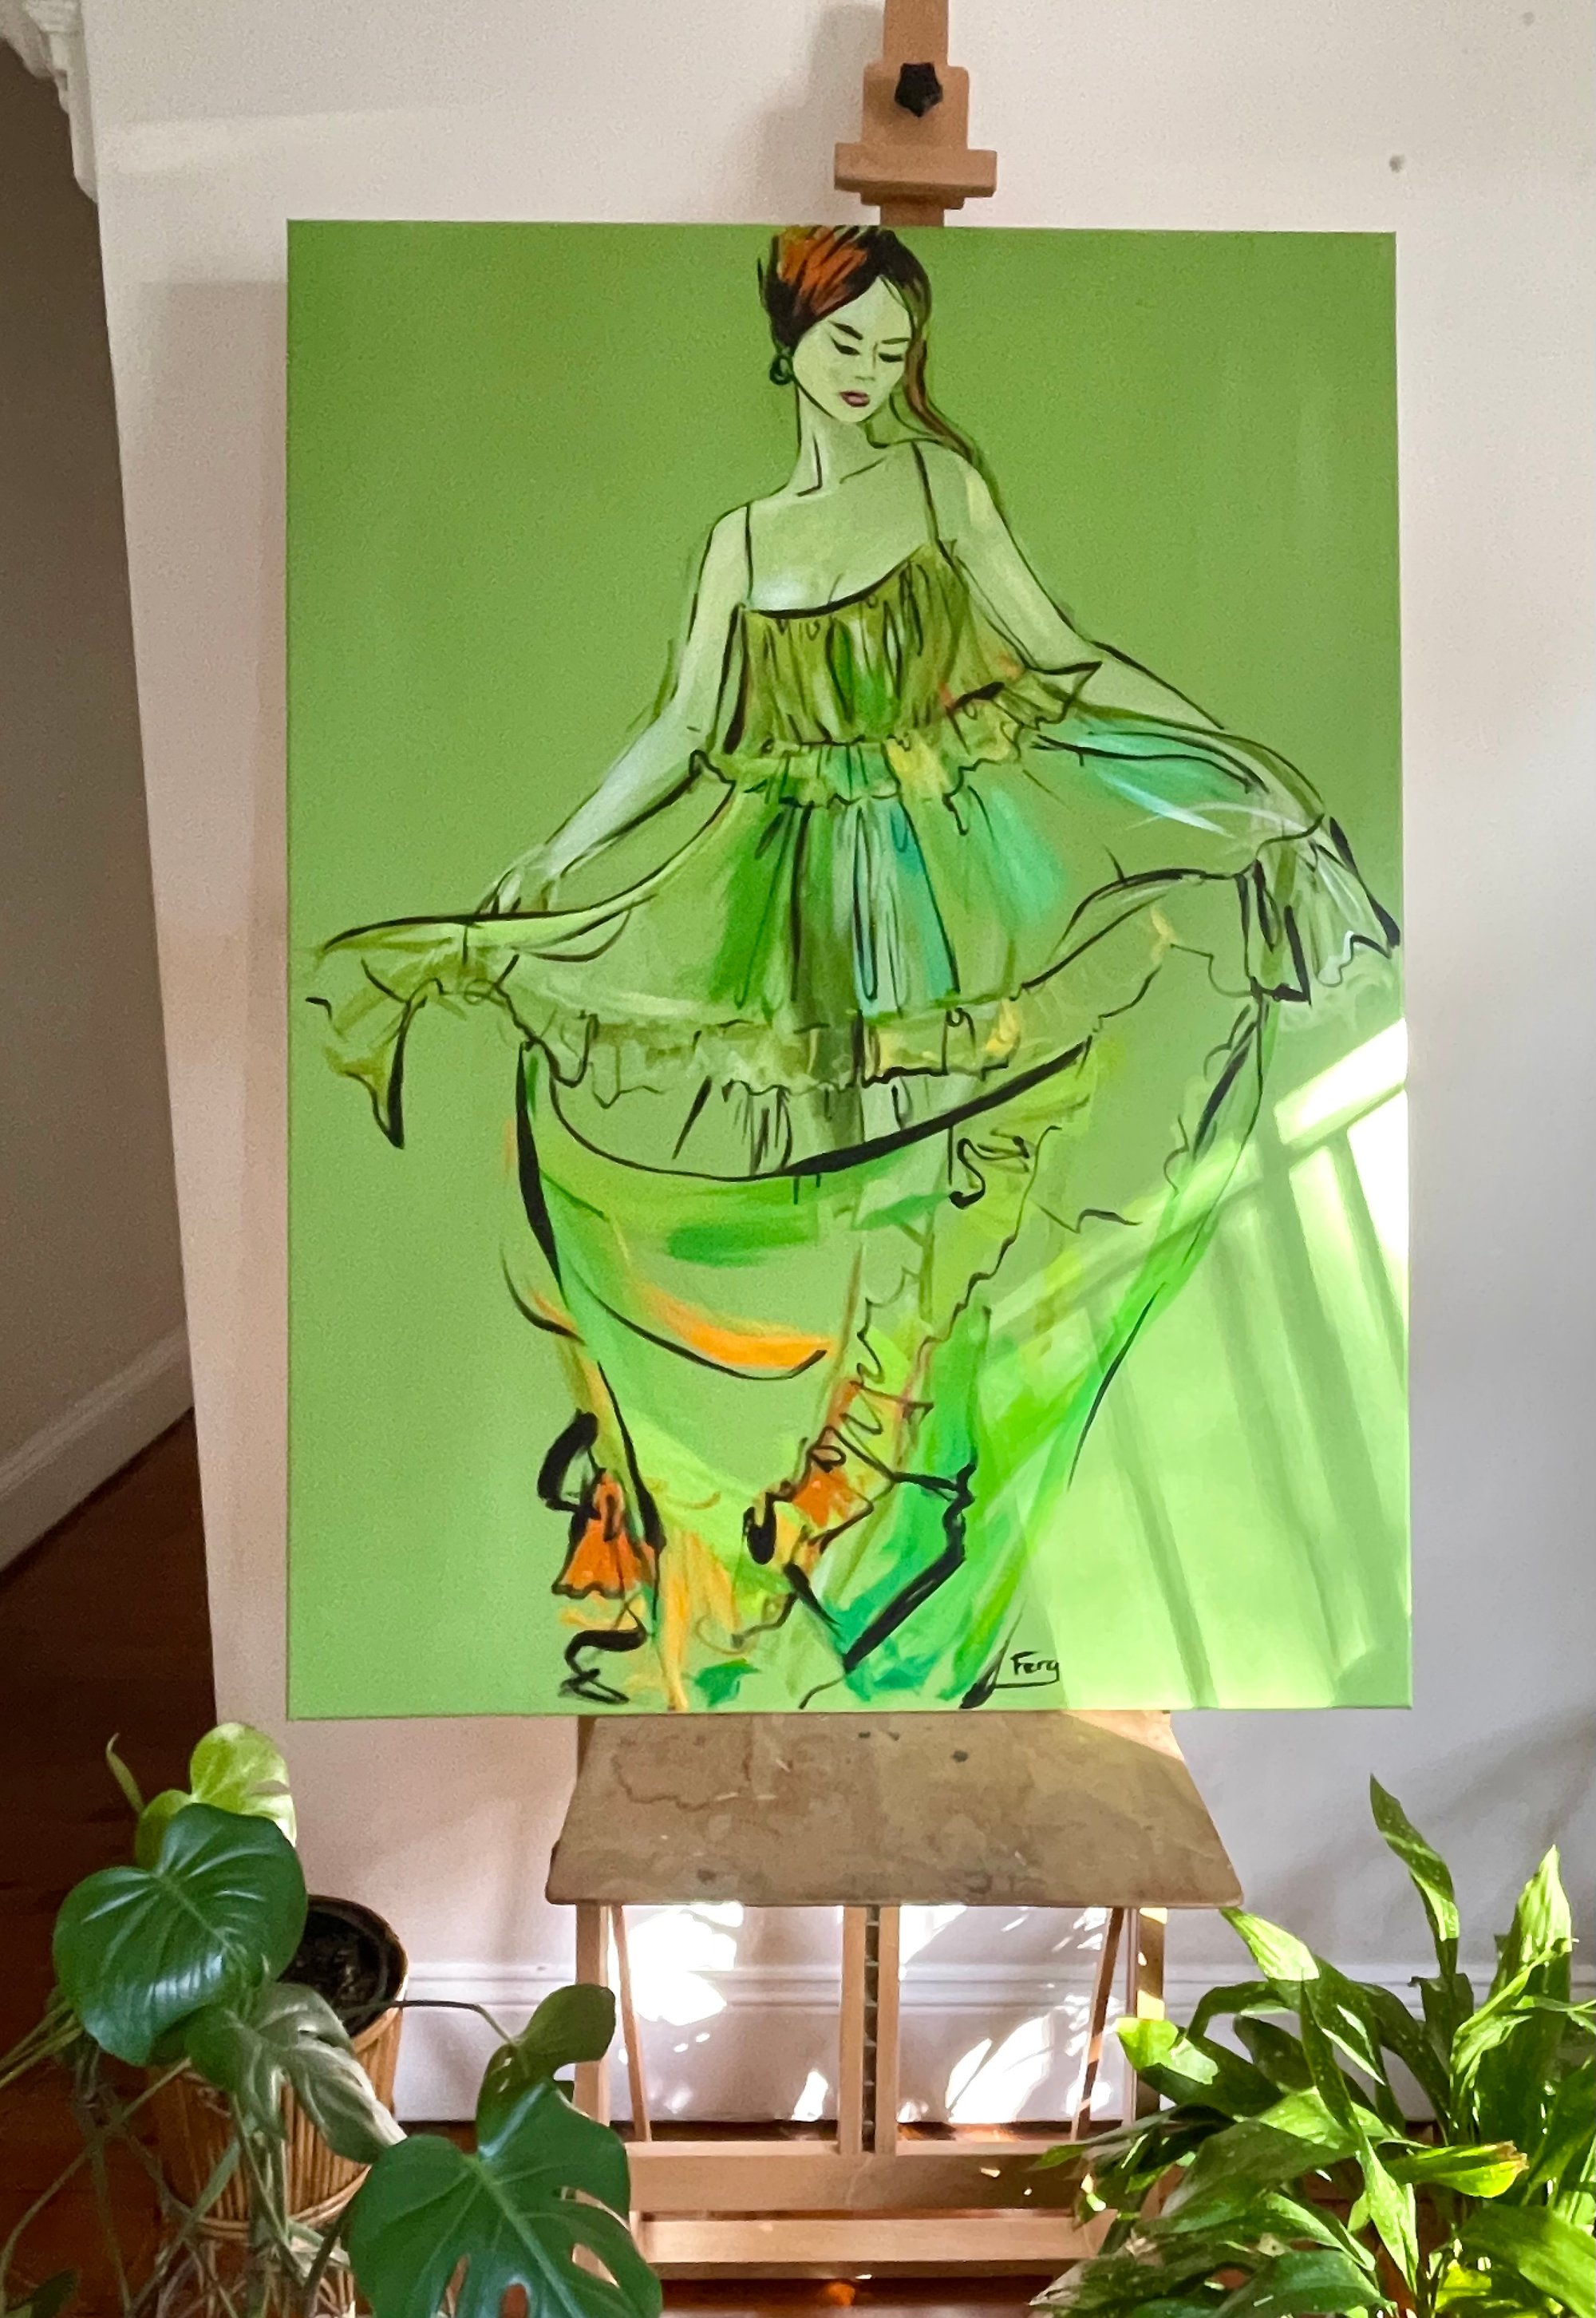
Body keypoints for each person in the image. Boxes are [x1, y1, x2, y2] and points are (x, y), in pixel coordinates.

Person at [313, 223, 1397, 1712]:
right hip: (794, 913)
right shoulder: (742, 546)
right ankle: (796, 1533)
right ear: (791, 342)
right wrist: (556, 856)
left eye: (895, 349)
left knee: (941, 1194)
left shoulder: (940, 485)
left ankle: (890, 1536)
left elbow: (1061, 653)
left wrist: (1231, 760)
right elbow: (682, 729)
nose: (872, 373)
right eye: (848, 343)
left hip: (961, 887)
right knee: (825, 1199)